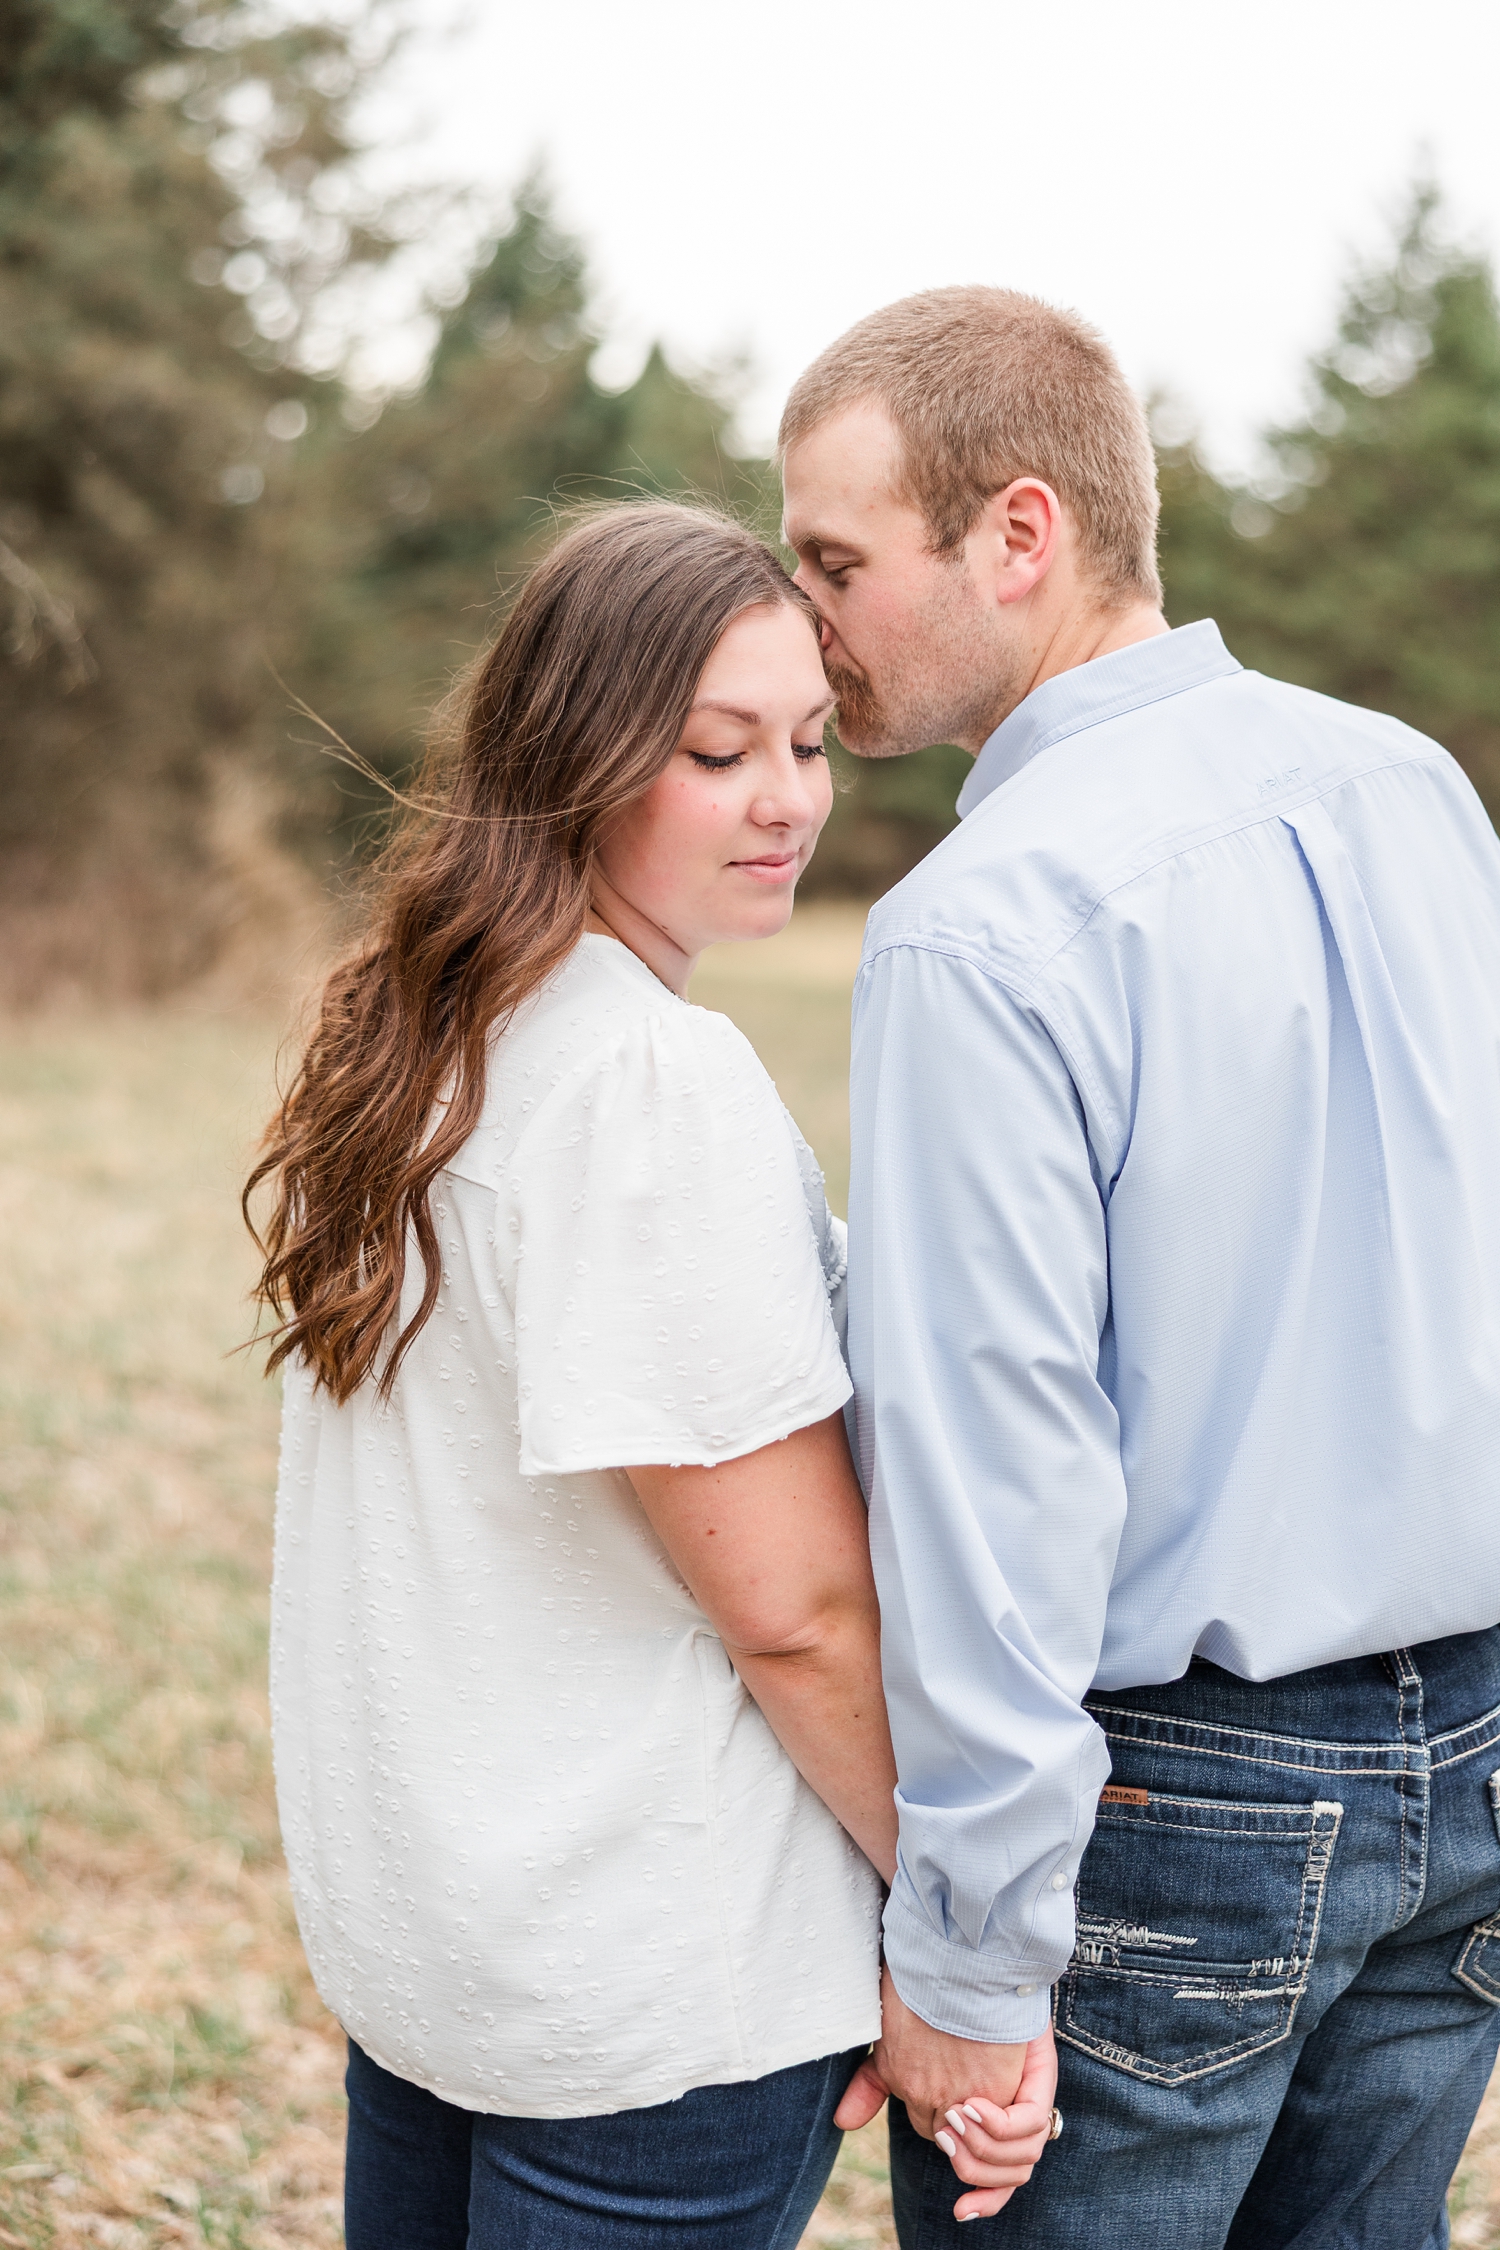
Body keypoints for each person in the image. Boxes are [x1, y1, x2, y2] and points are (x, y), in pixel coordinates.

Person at [779, 287, 1500, 2246]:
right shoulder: (1410, 788)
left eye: (836, 561)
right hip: (1476, 1760)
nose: (806, 620)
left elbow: (997, 1481)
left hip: (1182, 1810)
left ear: (1021, 534)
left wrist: (970, 1959)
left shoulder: (978, 928)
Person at [246, 502, 905, 2250]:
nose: (790, 797)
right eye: (719, 749)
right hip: (647, 1978)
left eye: (810, 742)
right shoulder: (646, 1083)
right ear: (576, 758)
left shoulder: (412, 1029)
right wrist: (956, 1910)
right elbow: (798, 1608)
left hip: (443, 1949)